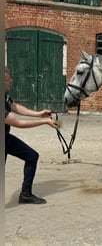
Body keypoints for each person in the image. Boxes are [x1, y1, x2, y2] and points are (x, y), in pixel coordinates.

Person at [5, 67, 58, 204]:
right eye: (6, 79)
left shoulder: (4, 95)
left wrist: (38, 114)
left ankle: (26, 195)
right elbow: (18, 123)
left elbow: (15, 107)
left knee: (31, 156)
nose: (10, 80)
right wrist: (45, 121)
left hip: (6, 138)